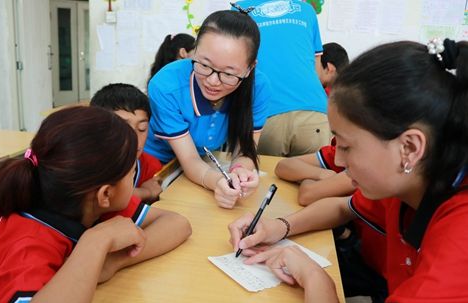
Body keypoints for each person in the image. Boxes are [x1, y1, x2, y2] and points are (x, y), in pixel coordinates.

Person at [228, 38, 468, 303]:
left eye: (347, 146)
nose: (338, 161)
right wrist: (277, 227)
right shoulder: (413, 180)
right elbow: (344, 206)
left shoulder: (460, 231)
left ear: (409, 147)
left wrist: (315, 278)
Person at [0, 106, 191, 303]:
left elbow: (177, 224)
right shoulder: (26, 242)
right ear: (106, 193)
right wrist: (96, 242)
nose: (134, 176)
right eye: (132, 172)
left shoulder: (84, 200)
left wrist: (112, 262)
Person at [144, 9, 271, 209]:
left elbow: (245, 149)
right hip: (156, 168)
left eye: (229, 73)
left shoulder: (259, 87)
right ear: (193, 51)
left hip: (200, 164)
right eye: (204, 64)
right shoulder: (166, 86)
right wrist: (218, 182)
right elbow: (189, 159)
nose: (212, 81)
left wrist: (242, 171)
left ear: (250, 68)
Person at [234, 0, 329, 157]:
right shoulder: (306, 10)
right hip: (314, 112)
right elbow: (317, 69)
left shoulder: (240, 9)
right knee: (315, 178)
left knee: (264, 178)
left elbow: (233, 65)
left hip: (265, 115)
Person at [90, 83, 163, 203]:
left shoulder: (150, 167)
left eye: (142, 128)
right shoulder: (82, 164)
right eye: (123, 128)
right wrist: (144, 193)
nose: (134, 138)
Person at [275, 137, 354, 206]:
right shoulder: (347, 151)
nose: (337, 161)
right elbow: (283, 165)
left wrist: (307, 176)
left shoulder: (361, 169)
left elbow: (306, 195)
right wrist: (322, 174)